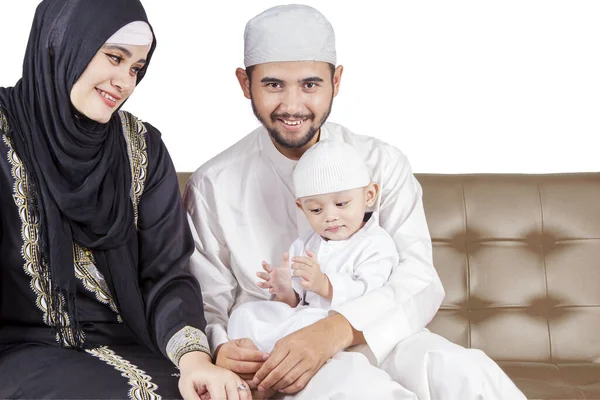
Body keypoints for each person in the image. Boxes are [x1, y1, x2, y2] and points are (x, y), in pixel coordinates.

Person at [184, 4, 526, 400]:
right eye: (274, 85)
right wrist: (223, 347)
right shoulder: (215, 183)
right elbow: (207, 300)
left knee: (467, 372)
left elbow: (419, 279)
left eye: (310, 84)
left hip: (383, 332)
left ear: (337, 80)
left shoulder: (383, 163)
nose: (293, 105)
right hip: (280, 351)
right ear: (246, 83)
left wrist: (335, 329)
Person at [0, 1, 249, 399]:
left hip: (133, 343)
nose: (125, 82)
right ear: (60, 44)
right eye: (114, 57)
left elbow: (166, 274)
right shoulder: (5, 134)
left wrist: (195, 362)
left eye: (135, 68)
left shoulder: (142, 148)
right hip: (21, 351)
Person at [226, 140, 416, 399]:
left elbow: (373, 296)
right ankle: (256, 367)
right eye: (316, 209)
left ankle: (266, 381)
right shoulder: (305, 243)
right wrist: (284, 290)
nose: (330, 217)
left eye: (341, 204)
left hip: (338, 327)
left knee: (302, 325)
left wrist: (325, 285)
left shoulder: (376, 243)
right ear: (301, 207)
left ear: (369, 195)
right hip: (302, 317)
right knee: (247, 313)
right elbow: (296, 302)